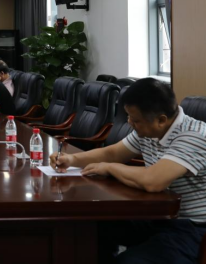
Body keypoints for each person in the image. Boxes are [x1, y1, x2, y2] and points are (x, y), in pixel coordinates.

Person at [50, 78, 205, 264]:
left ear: (161, 120)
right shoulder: (148, 130)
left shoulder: (194, 136)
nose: (129, 122)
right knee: (90, 227)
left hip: (193, 228)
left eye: (135, 120)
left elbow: (153, 181)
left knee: (130, 261)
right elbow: (113, 153)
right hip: (157, 214)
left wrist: (110, 168)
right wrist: (72, 159)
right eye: (129, 117)